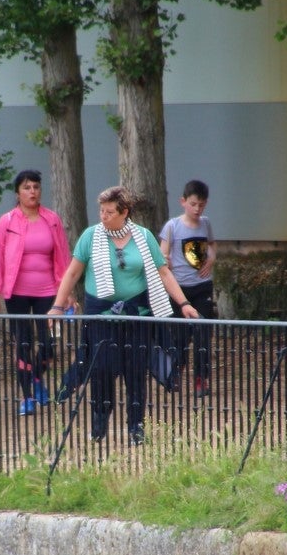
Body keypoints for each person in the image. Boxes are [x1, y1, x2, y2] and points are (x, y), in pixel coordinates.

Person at [49, 186, 199, 445]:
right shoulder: (90, 236)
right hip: (101, 317)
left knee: (135, 371)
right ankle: (99, 421)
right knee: (102, 369)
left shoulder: (143, 236)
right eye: (101, 211)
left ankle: (136, 425)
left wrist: (183, 302)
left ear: (124, 212)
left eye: (109, 212)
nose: (103, 216)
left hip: (136, 315)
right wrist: (57, 306)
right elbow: (73, 273)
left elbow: (163, 273)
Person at [0, 169, 73, 416]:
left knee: (48, 345)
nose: (32, 191)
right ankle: (27, 398)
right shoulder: (7, 222)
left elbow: (64, 257)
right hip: (17, 292)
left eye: (36, 187)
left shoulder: (52, 219)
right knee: (23, 343)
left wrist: (66, 292)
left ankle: (36, 378)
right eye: (26, 187)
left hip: (48, 290)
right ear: (17, 193)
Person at [159, 179, 217, 397]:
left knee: (203, 333)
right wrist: (166, 260)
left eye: (201, 205)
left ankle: (201, 379)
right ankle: (175, 372)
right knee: (180, 337)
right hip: (179, 290)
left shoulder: (206, 223)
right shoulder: (173, 226)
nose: (197, 209)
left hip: (202, 286)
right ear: (183, 202)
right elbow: (161, 254)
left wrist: (211, 259)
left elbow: (212, 245)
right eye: (193, 204)